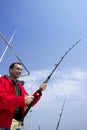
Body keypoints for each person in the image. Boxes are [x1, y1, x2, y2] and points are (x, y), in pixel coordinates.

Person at [0, 62, 47, 130]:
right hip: (4, 124)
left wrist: (39, 91)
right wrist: (23, 100)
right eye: (18, 69)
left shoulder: (20, 86)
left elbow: (29, 102)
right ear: (10, 70)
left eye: (21, 70)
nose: (20, 71)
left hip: (17, 124)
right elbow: (2, 100)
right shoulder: (2, 80)